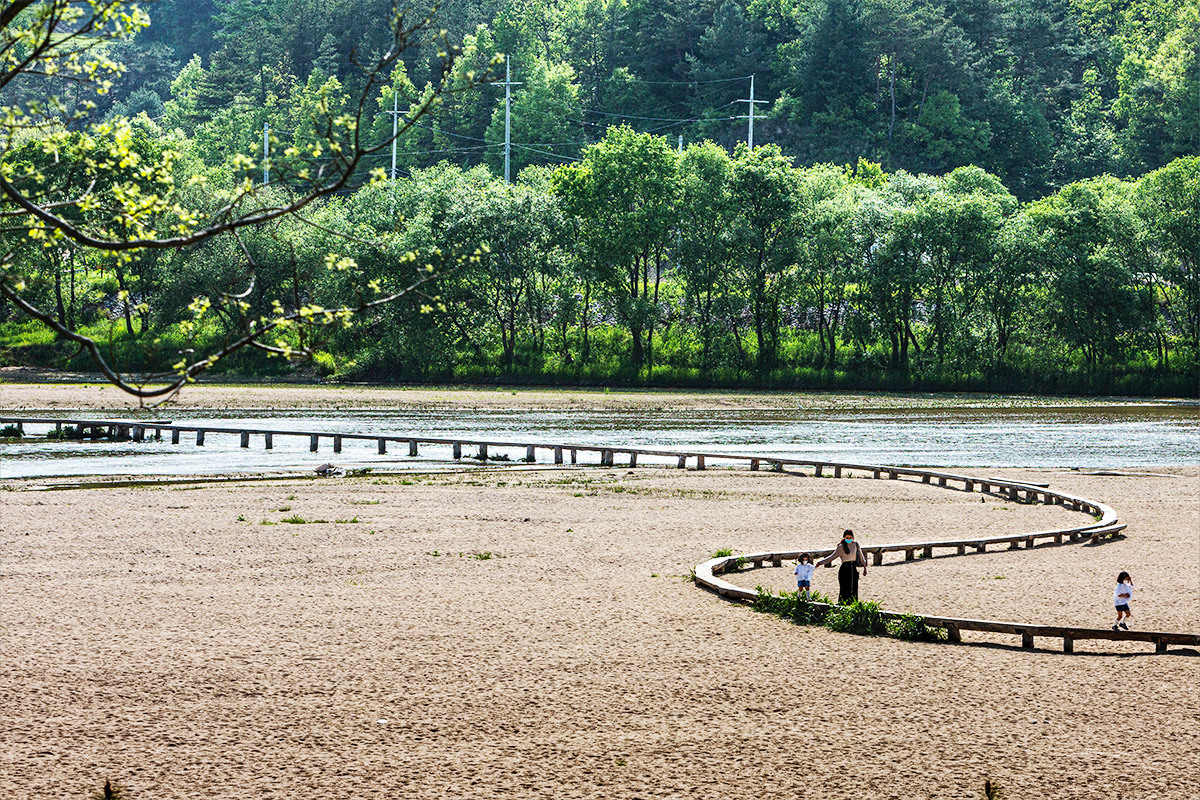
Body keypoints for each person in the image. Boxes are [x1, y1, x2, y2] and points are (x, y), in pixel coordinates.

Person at [816, 529, 867, 604]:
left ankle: (853, 603)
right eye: (847, 538)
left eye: (850, 537)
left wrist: (865, 568)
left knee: (854, 587)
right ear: (844, 537)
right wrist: (820, 562)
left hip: (853, 567)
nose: (849, 539)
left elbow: (861, 557)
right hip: (845, 568)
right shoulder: (841, 546)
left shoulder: (855, 544)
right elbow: (832, 557)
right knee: (844, 588)